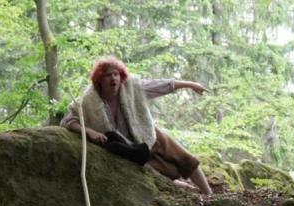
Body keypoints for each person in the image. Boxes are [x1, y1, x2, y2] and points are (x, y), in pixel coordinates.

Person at [61, 56, 213, 195]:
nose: (113, 78)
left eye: (116, 74)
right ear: (100, 79)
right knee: (156, 175)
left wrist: (190, 84)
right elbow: (68, 121)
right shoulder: (89, 99)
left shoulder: (132, 86)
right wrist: (88, 131)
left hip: (149, 134)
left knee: (186, 159)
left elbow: (162, 85)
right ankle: (183, 188)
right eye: (108, 75)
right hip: (130, 149)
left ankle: (209, 194)